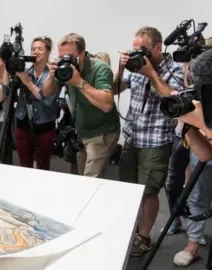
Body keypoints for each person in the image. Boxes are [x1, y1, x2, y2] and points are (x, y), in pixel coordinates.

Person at [112, 26, 184, 257]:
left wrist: (151, 73)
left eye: (142, 49)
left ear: (157, 47)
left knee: (149, 191)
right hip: (133, 136)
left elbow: (173, 99)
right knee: (129, 189)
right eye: (134, 49)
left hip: (156, 139)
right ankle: (128, 229)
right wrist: (121, 67)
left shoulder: (174, 69)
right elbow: (114, 89)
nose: (137, 53)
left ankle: (144, 236)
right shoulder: (134, 65)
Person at [44, 33, 120, 178]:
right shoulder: (64, 68)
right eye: (62, 57)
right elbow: (47, 92)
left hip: (102, 132)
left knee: (91, 180)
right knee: (82, 177)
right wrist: (51, 75)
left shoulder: (99, 68)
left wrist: (78, 82)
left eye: (70, 57)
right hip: (82, 133)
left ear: (82, 54)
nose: (66, 61)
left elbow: (107, 104)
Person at [170, 49, 212, 267]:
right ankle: (193, 244)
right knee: (197, 197)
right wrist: (187, 126)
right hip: (204, 160)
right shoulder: (198, 95)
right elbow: (205, 153)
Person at [15, 36, 59, 170]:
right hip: (23, 124)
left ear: (48, 52)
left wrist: (28, 83)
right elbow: (7, 92)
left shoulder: (54, 75)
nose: (35, 52)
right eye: (33, 49)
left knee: (42, 165)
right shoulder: (24, 72)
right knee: (24, 165)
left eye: (40, 49)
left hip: (44, 127)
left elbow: (49, 100)